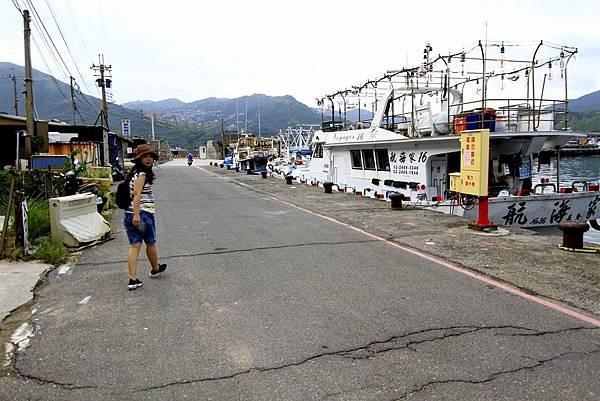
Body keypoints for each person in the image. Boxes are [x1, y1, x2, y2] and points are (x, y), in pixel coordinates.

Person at [123, 144, 167, 290]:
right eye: (145, 157)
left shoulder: (133, 173)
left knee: (135, 245)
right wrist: (137, 216)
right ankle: (154, 268)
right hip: (142, 215)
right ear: (139, 159)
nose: (149, 159)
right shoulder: (141, 175)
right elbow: (137, 195)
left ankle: (134, 279)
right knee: (150, 242)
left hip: (130, 214)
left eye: (150, 157)